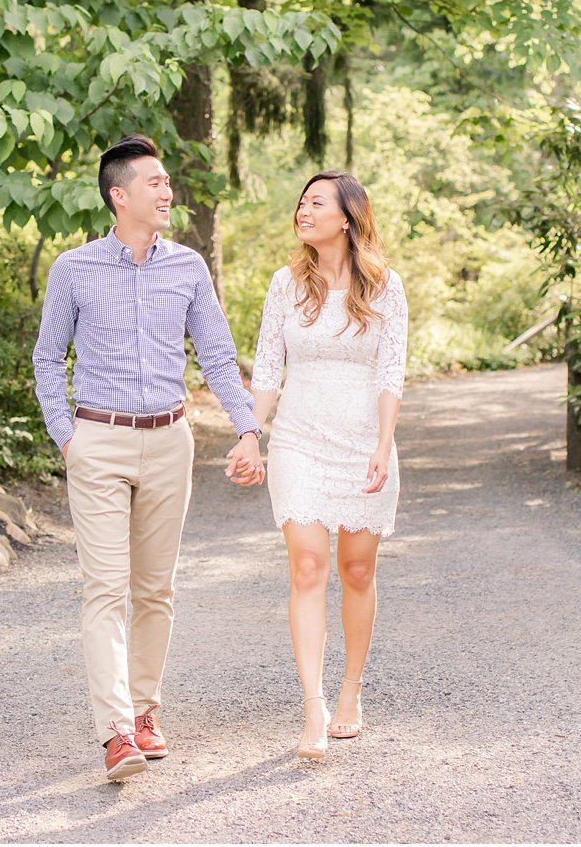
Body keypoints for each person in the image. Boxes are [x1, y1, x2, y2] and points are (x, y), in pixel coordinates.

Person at [32, 134, 263, 782]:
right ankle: (114, 733)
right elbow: (49, 359)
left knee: (155, 589)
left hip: (170, 442)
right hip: (98, 442)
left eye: (167, 184)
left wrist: (246, 429)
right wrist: (67, 437)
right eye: (155, 183)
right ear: (119, 194)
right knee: (104, 588)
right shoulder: (73, 269)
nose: (167, 192)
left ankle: (144, 711)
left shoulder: (187, 267)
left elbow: (217, 355)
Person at [247, 171, 408, 761]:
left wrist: (383, 445)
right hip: (298, 441)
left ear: (348, 217)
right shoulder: (285, 285)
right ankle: (312, 705)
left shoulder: (385, 288)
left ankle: (350, 690)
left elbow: (392, 373)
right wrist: (249, 432)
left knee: (357, 570)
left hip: (363, 442)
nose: (303, 209)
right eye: (301, 201)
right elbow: (267, 369)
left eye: (316, 202)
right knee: (309, 565)